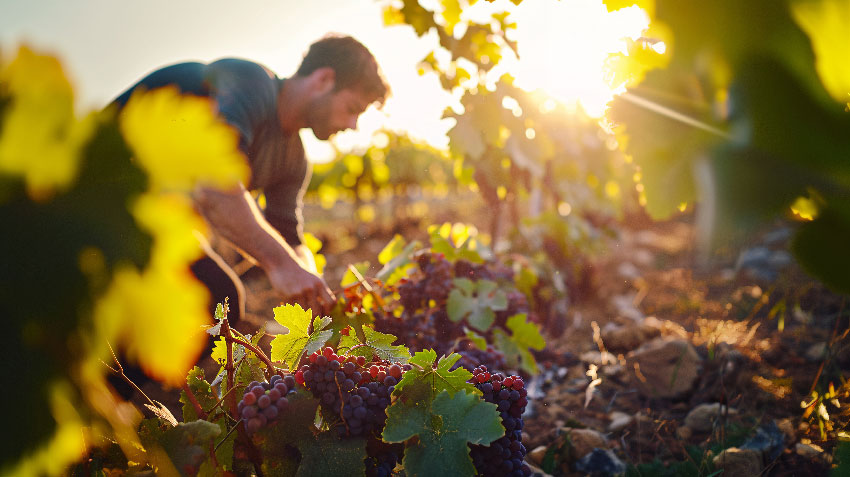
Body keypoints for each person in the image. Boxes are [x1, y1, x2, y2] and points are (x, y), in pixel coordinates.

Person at [112, 34, 390, 321]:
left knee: (215, 300)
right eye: (352, 109)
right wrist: (282, 265)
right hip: (97, 183)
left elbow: (289, 236)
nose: (353, 125)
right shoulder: (250, 83)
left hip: (142, 212)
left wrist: (311, 283)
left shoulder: (295, 160)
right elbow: (215, 187)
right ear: (323, 80)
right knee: (215, 298)